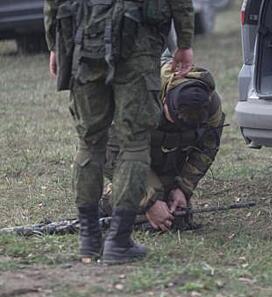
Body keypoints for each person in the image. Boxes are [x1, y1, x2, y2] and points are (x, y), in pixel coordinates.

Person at [44, 0, 195, 263]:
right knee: (134, 145)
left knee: (89, 143)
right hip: (138, 47)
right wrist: (184, 43)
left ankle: (89, 240)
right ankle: (119, 240)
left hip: (85, 41)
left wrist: (55, 45)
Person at [102, 49, 225, 232]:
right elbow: (110, 154)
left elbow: (207, 148)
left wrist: (183, 187)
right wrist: (149, 202)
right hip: (133, 156)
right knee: (141, 204)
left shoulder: (210, 103)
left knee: (175, 217)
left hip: (169, 158)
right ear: (165, 100)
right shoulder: (138, 95)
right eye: (174, 120)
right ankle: (110, 201)